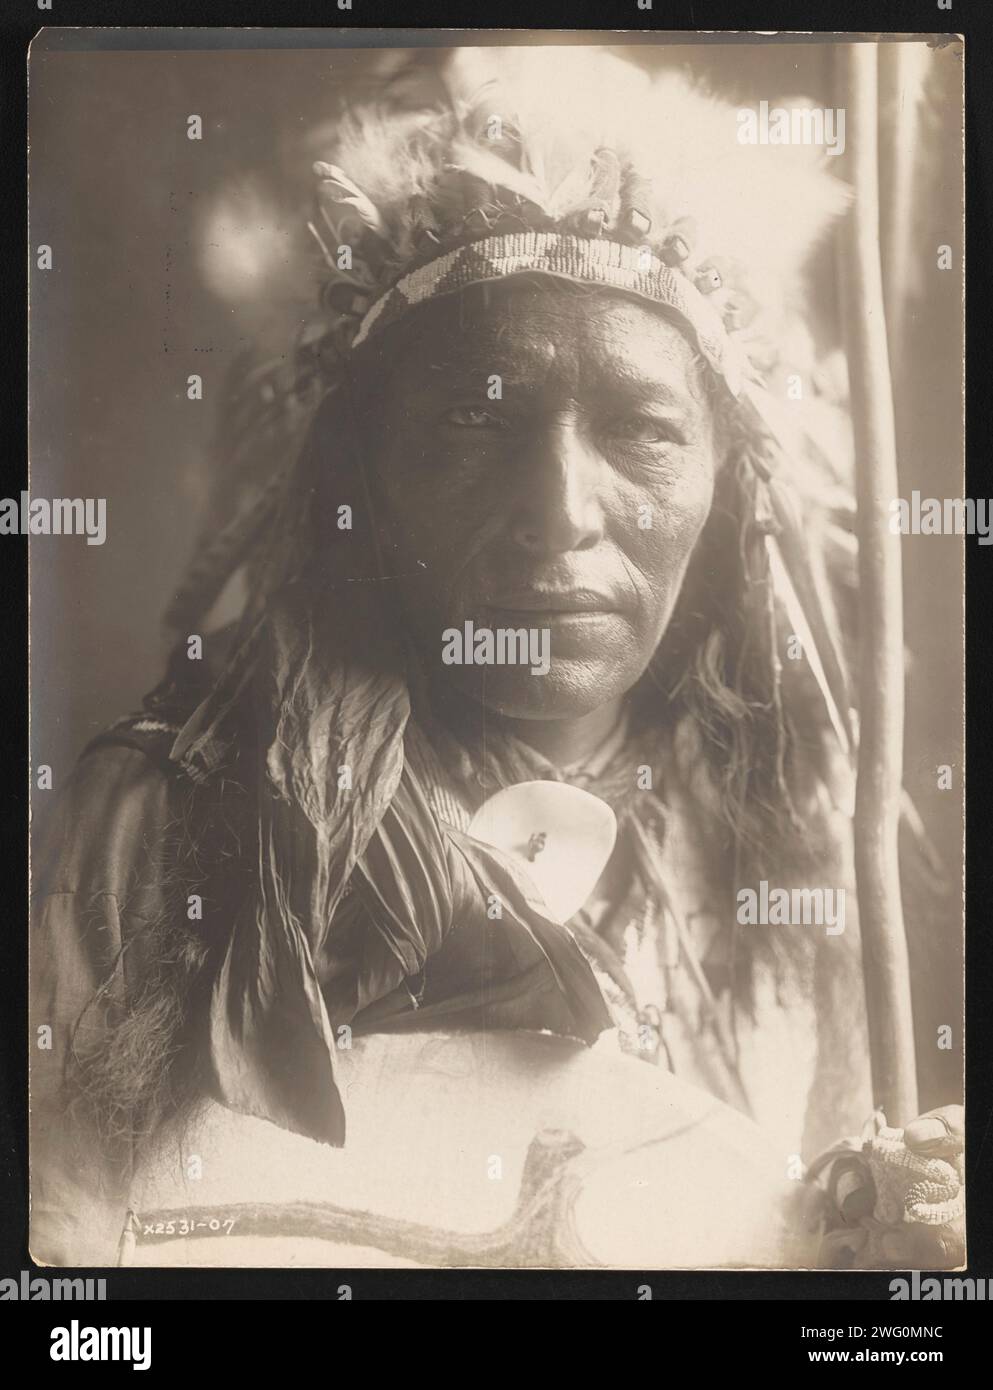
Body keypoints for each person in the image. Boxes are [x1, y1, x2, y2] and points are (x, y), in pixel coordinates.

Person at [30, 46, 963, 1269]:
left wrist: (884, 1245)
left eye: (640, 430)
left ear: (729, 493)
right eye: (476, 419)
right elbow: (69, 1257)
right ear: (362, 476)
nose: (561, 508)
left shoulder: (791, 827)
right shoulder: (164, 822)